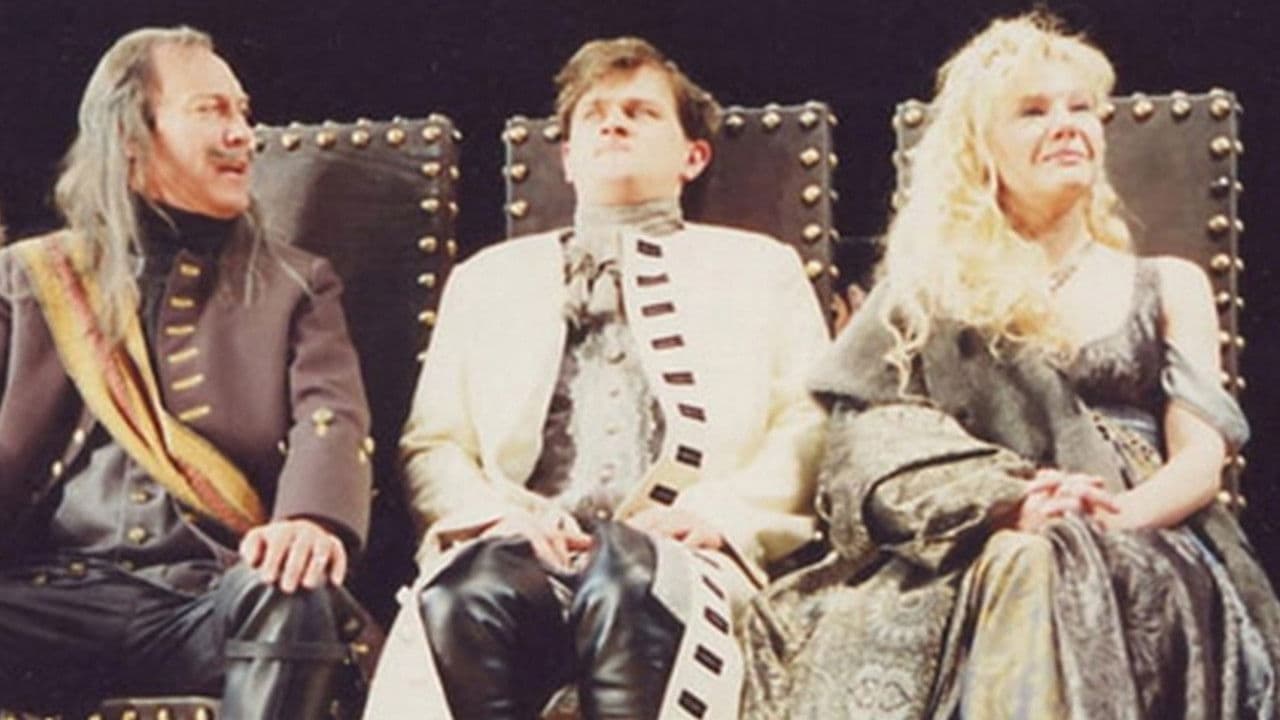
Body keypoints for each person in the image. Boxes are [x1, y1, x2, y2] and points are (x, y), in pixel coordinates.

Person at [741, 12, 1280, 720]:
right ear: (980, 150)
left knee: (1062, 566)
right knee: (1008, 569)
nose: (1066, 126)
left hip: (1145, 535)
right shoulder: (928, 296)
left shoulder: (1168, 282)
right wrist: (1003, 501)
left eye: (1080, 108)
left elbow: (1200, 462)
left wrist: (1109, 519)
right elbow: (872, 441)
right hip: (974, 540)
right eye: (1033, 112)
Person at [364, 37, 829, 720]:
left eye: (640, 112)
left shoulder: (761, 269)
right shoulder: (484, 280)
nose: (613, 124)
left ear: (693, 156)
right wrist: (498, 519)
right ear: (567, 158)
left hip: (682, 554)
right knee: (463, 598)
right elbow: (434, 444)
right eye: (595, 114)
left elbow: (808, 423)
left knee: (631, 584)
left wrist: (719, 517)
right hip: (521, 549)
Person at [0, 27, 372, 717]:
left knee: (294, 594)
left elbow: (332, 415)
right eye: (212, 110)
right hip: (51, 594)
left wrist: (309, 520)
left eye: (244, 114)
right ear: (129, 136)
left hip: (208, 598)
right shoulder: (31, 281)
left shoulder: (296, 284)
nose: (242, 136)